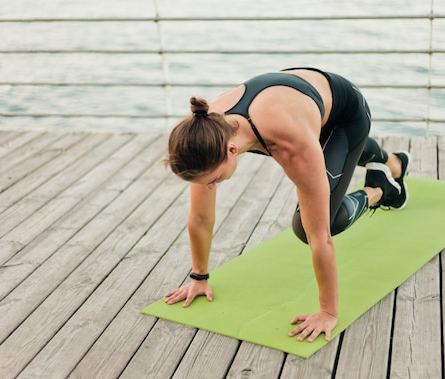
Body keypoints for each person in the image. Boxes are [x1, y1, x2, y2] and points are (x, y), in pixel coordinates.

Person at [163, 67, 410, 343]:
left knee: (309, 226)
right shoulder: (205, 133)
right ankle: (396, 163)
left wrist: (328, 312)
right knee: (332, 155)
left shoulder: (290, 144)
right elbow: (199, 218)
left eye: (214, 180)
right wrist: (199, 277)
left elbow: (321, 238)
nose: (210, 187)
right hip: (303, 106)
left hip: (345, 114)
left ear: (231, 150)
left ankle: (382, 189)